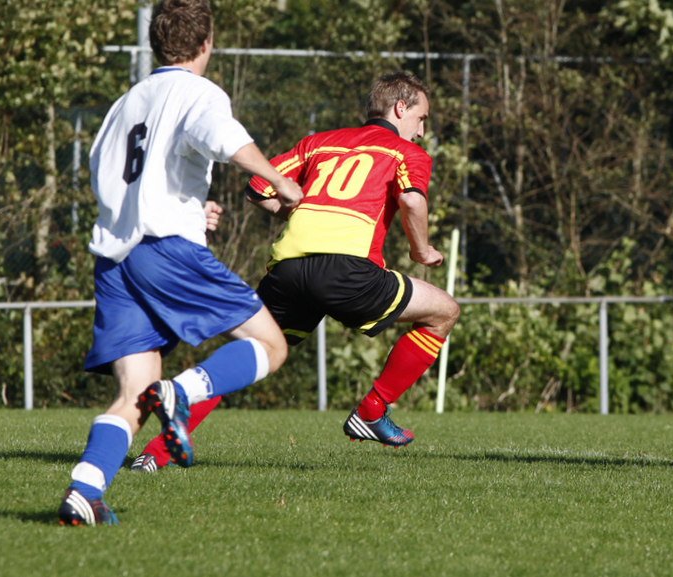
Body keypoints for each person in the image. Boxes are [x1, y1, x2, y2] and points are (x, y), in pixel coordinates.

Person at [128, 71, 458, 469]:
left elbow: (258, 187)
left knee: (249, 353)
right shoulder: (406, 152)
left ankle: (154, 454)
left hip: (287, 269)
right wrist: (421, 251)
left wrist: (298, 213)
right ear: (400, 108)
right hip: (348, 271)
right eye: (421, 119)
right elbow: (412, 201)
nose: (421, 131)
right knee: (444, 312)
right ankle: (373, 409)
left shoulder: (319, 142)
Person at [58, 0, 303, 525]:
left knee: (133, 393)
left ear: (156, 44)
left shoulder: (127, 101)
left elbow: (114, 175)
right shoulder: (198, 91)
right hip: (165, 250)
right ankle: (180, 393)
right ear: (206, 43)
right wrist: (279, 180)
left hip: (115, 259)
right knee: (271, 345)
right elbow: (226, 140)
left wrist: (192, 208)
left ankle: (85, 491)